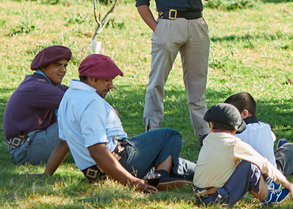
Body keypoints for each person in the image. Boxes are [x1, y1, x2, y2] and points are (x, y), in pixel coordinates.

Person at [56, 53, 195, 192]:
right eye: (107, 81)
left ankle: (197, 171)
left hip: (95, 173)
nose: (111, 86)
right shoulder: (91, 102)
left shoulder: (68, 96)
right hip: (119, 163)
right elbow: (97, 150)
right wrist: (133, 182)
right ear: (92, 79)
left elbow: (63, 143)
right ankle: (161, 177)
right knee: (171, 135)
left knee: (185, 166)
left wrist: (47, 173)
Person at [136, 0, 213, 138]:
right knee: (157, 82)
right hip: (168, 23)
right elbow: (141, 2)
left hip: (197, 23)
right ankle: (152, 132)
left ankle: (204, 136)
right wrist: (157, 28)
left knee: (198, 83)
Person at [193, 104, 293, 208]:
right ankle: (268, 197)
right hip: (217, 198)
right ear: (234, 130)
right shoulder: (233, 144)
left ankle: (268, 189)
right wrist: (284, 182)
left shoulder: (207, 141)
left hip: (199, 196)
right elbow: (262, 162)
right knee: (251, 167)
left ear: (211, 125)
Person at [3, 45, 71, 169]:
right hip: (24, 150)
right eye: (57, 65)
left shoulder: (48, 84)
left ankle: (107, 151)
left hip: (32, 141)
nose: (63, 70)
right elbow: (80, 105)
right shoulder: (38, 87)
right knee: (79, 120)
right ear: (43, 66)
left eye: (65, 66)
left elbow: (81, 97)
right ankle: (104, 156)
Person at [224, 91, 293, 177]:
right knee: (289, 148)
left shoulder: (232, 135)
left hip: (242, 179)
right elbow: (272, 138)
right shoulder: (266, 127)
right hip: (271, 176)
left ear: (244, 114)